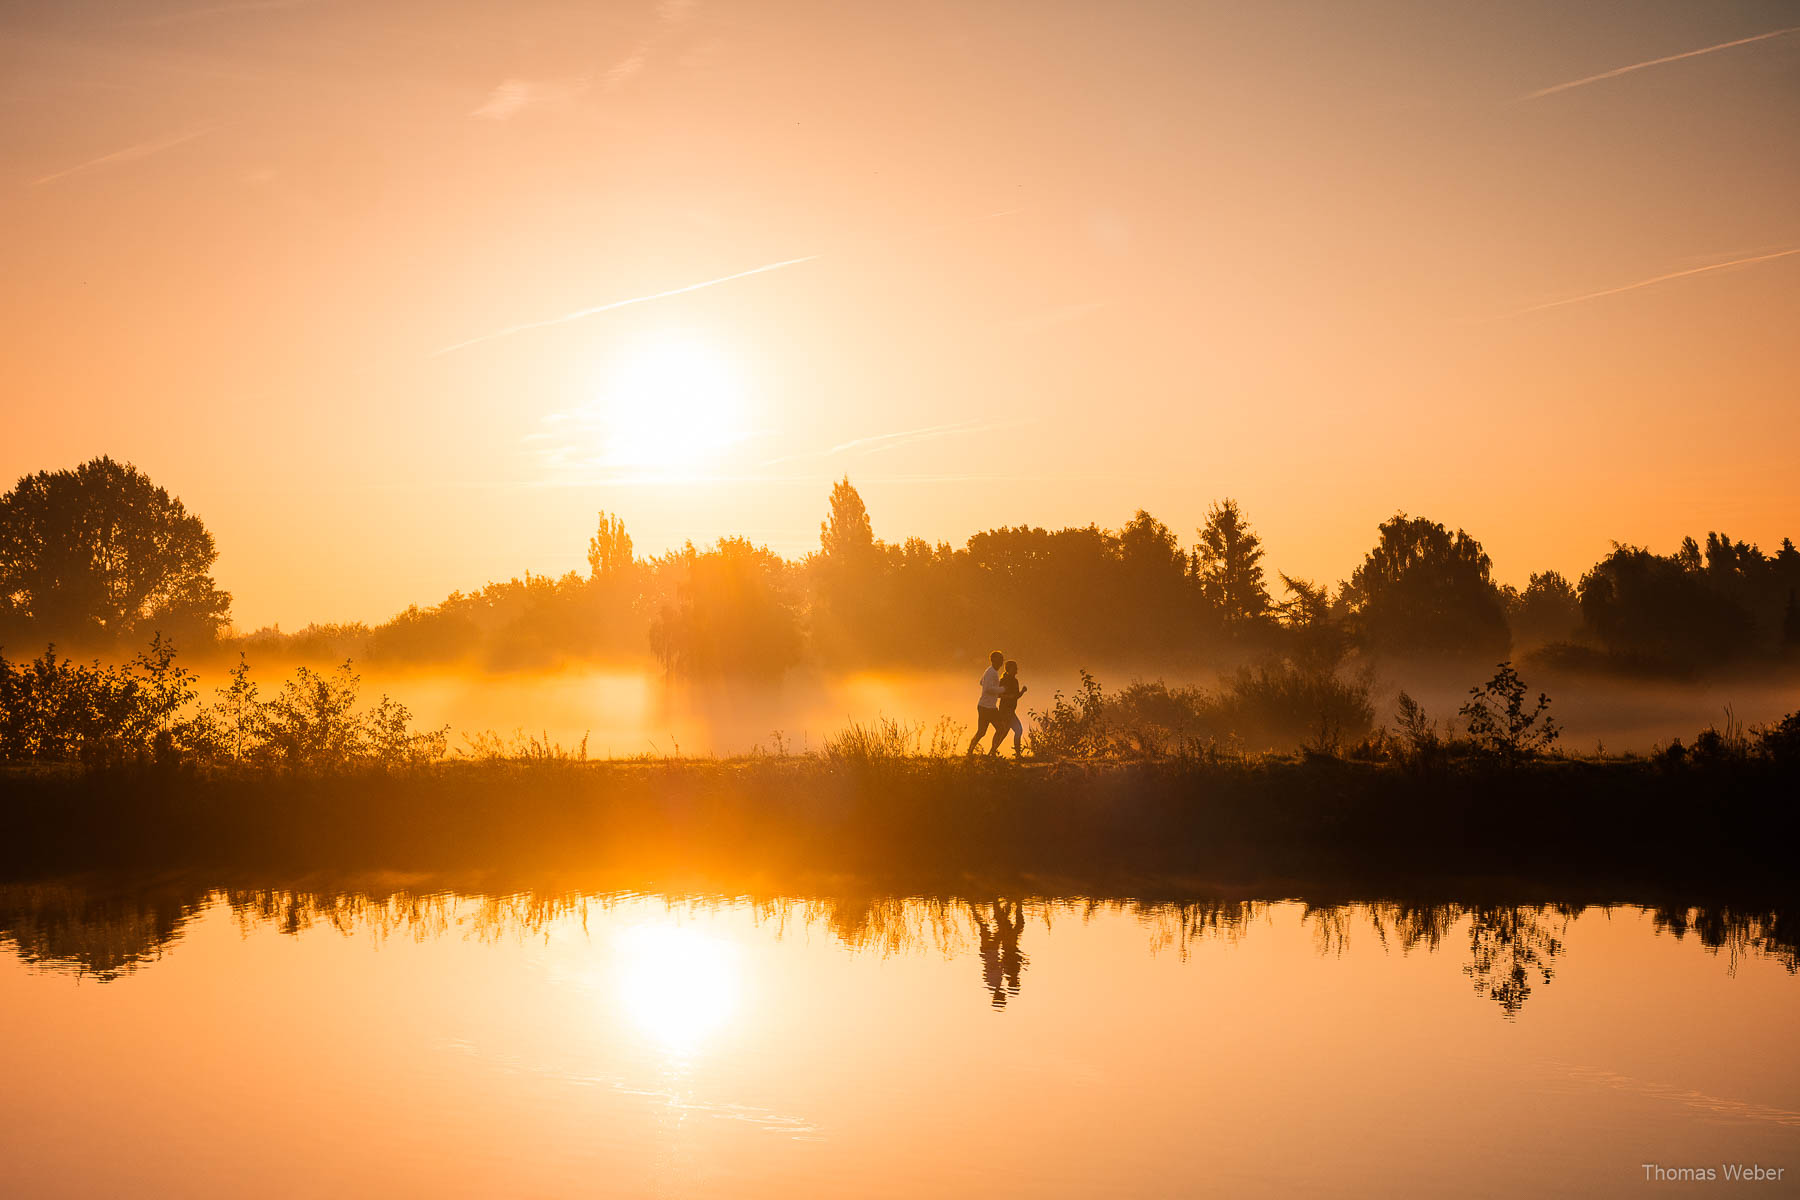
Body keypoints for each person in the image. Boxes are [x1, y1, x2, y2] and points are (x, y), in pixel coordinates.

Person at [965, 650, 1007, 754]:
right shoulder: (991, 672)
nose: (1001, 663)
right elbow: (987, 688)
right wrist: (1002, 689)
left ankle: (991, 752)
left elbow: (981, 682)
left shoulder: (990, 671)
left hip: (989, 707)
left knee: (999, 728)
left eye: (1002, 660)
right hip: (986, 707)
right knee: (983, 731)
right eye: (999, 660)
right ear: (993, 660)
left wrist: (996, 690)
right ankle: (971, 751)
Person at [988, 659, 1027, 757]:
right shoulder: (1004, 680)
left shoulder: (1015, 681)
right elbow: (996, 694)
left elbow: (1016, 696)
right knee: (1016, 730)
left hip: (1011, 710)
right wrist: (1007, 697)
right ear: (1009, 669)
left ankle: (992, 752)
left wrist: (1022, 691)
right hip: (1005, 710)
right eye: (1015, 668)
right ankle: (1017, 754)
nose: (1017, 670)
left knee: (1004, 732)